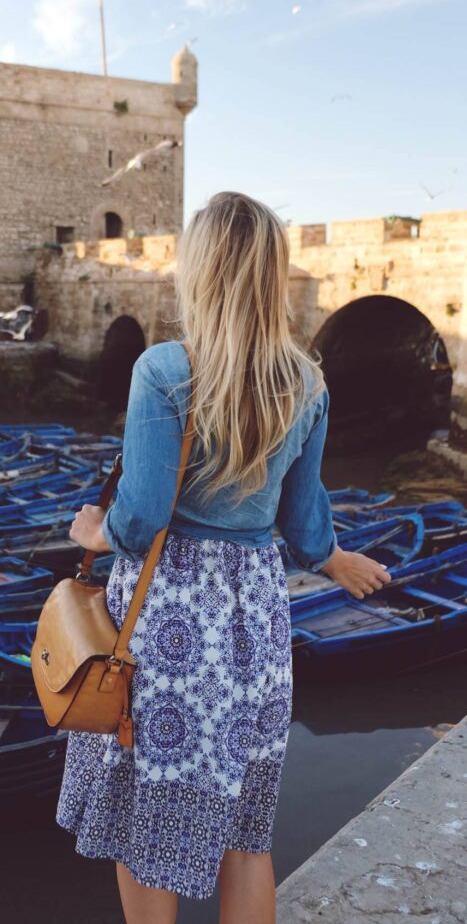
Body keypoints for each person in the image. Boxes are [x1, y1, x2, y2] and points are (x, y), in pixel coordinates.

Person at [59, 192, 390, 924]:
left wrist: (92, 535)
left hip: (168, 619)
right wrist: (337, 559)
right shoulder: (306, 382)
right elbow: (305, 533)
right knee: (245, 833)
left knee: (145, 820)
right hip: (255, 625)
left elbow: (140, 517)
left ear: (199, 270)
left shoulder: (165, 370)